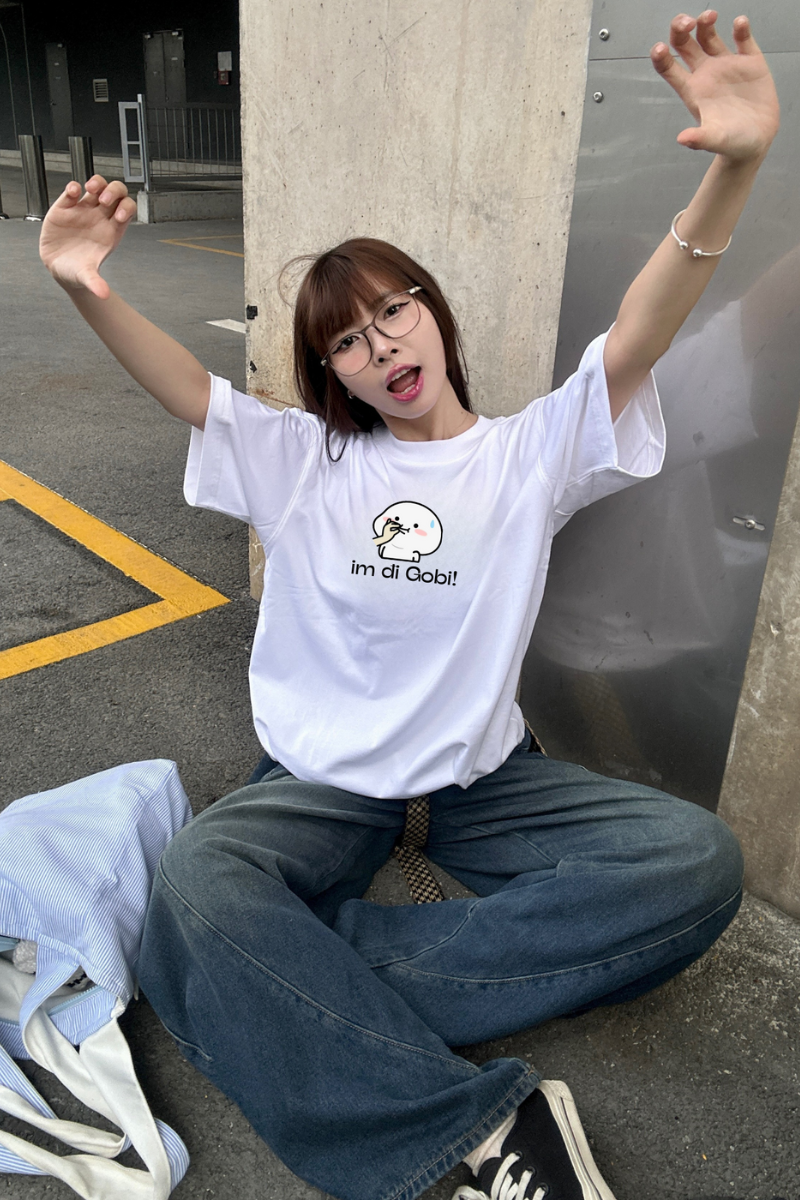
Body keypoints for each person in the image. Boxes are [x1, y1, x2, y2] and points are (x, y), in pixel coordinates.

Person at [38, 12, 779, 1200]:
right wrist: (85, 285)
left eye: (392, 311)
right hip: (320, 782)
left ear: (431, 311)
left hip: (484, 786)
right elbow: (188, 391)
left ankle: (287, 976)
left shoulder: (528, 454)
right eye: (344, 341)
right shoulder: (305, 462)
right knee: (198, 884)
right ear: (328, 372)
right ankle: (469, 1132)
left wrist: (732, 169)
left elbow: (638, 335)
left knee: (692, 863)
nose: (379, 346)